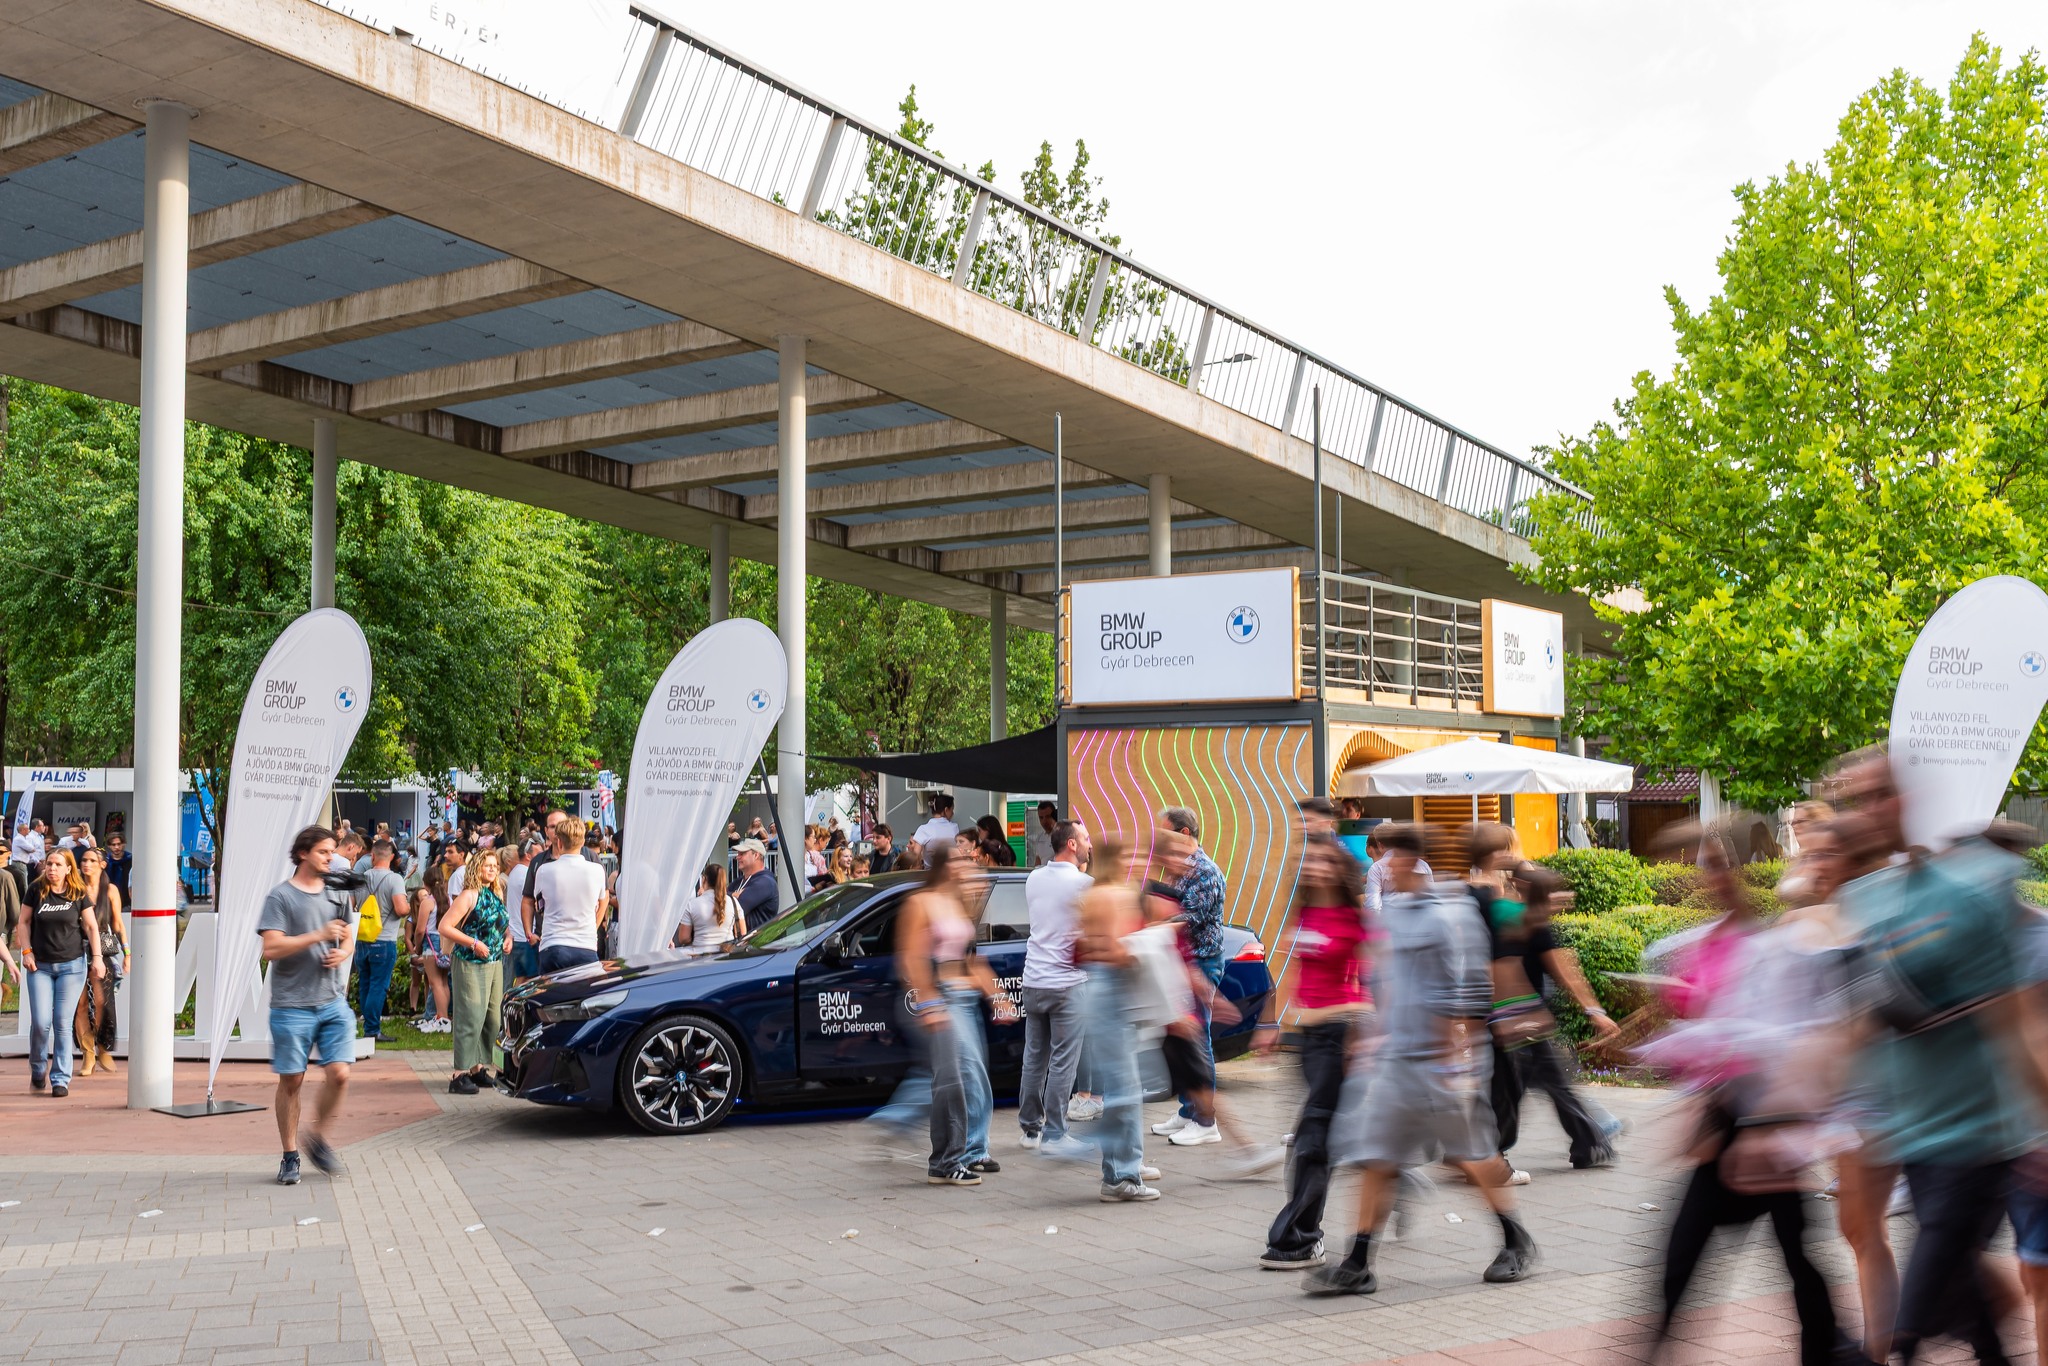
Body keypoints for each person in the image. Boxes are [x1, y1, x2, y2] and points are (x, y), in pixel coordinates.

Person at [1833, 752, 2048, 1365]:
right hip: (1915, 1138)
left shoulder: (1971, 891)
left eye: (1882, 795)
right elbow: (1858, 1026)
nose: (1870, 810)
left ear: (1911, 798)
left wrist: (2043, 1131)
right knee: (1973, 1315)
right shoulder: (1864, 901)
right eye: (1858, 799)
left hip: (1980, 1140)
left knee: (1904, 1332)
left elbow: (2016, 1025)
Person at [1638, 828, 1856, 1366]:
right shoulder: (1754, 940)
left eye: (1821, 854)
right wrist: (1678, 1048)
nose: (1806, 866)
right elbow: (1734, 1024)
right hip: (1743, 1114)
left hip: (1767, 1120)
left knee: (1738, 1253)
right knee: (1782, 1255)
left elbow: (1800, 1035)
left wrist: (1692, 1047)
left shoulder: (1806, 943)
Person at [1307, 822, 1537, 1295]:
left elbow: (1471, 989)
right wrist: (1368, 1038)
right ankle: (1358, 1262)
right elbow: (1384, 983)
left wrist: (1460, 1056)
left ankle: (1517, 1240)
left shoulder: (1448, 916)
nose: (1383, 868)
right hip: (1396, 1061)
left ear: (1409, 860)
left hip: (1442, 1063)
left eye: (1389, 858)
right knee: (1378, 1156)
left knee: (1473, 1158)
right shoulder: (1391, 915)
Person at [1258, 839, 1370, 1270]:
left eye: (1326, 861)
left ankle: (1299, 1238)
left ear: (1341, 868)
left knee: (1312, 1140)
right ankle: (1394, 1181)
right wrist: (1272, 1026)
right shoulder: (1305, 914)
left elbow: (1372, 981)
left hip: (1341, 1035)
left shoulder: (1354, 918)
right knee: (1320, 1138)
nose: (1317, 867)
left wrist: (1361, 1037)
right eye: (1311, 861)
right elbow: (1289, 972)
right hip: (1307, 1039)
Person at [886, 848, 1015, 1185]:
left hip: (964, 998)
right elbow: (911, 958)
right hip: (941, 998)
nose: (967, 864)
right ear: (943, 866)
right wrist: (929, 1003)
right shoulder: (922, 902)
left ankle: (972, 1150)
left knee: (974, 1078)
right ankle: (947, 1160)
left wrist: (998, 997)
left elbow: (972, 959)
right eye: (959, 859)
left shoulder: (959, 904)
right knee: (953, 1082)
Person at [1487, 862, 1621, 1172]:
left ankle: (1589, 1144)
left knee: (1534, 1086)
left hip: (1515, 1020)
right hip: (1522, 1020)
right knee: (1520, 1090)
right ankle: (1487, 1152)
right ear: (1543, 897)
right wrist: (1594, 1012)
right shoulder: (1537, 929)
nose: (1562, 897)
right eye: (1555, 893)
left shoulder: (1510, 918)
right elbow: (1565, 976)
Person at [258, 827, 355, 1185]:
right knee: (292, 1081)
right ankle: (289, 1155)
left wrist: (342, 952)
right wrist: (317, 935)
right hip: (291, 1005)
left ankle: (318, 1138)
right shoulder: (281, 897)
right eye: (324, 852)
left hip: (332, 1002)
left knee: (340, 1074)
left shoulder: (336, 894)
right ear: (302, 854)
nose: (332, 858)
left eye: (333, 852)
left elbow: (348, 939)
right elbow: (271, 949)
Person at [1076, 836, 1159, 1202]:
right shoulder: (1116, 895)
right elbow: (1113, 948)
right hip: (1113, 989)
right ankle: (1123, 1175)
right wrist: (1143, 956)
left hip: (1095, 988)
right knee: (1126, 1088)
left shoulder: (1091, 894)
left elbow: (1084, 946)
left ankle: (1117, 1170)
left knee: (1119, 1086)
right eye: (1128, 855)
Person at [1149, 807, 1228, 1145]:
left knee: (1198, 1041)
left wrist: (1152, 924)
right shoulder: (1179, 869)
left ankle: (1206, 1121)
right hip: (1181, 964)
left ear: (1184, 834)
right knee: (1183, 1040)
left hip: (1202, 964)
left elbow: (1189, 917)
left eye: (1165, 833)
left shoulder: (1206, 872)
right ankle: (1187, 1110)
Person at [1018, 819, 1092, 1157]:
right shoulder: (1084, 885)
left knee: (1034, 1059)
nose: (1090, 843)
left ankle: (1030, 1128)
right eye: (1086, 838)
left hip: (1034, 979)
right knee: (1063, 1062)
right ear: (1072, 844)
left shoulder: (1034, 878)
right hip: (1067, 983)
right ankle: (1056, 1133)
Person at [15, 848, 102, 1097]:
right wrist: (26, 951)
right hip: (39, 966)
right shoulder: (36, 889)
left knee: (62, 1023)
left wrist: (97, 958)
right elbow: (23, 922)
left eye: (57, 865)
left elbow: (91, 927)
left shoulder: (78, 892)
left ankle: (61, 1078)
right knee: (41, 1023)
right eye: (49, 864)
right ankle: (38, 1067)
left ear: (68, 869)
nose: (52, 869)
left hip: (71, 967)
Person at [440, 847, 509, 1095]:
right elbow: (445, 926)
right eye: (487, 865)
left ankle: (477, 1067)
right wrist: (473, 943)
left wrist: (508, 937)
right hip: (470, 961)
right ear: (476, 867)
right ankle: (459, 1073)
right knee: (470, 1016)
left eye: (495, 866)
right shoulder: (469, 895)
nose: (492, 870)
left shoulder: (495, 894)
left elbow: (501, 924)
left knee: (491, 1018)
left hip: (494, 961)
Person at [72, 846, 127, 1078]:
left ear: (102, 864)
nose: (86, 865)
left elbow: (118, 924)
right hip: (76, 949)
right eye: (83, 860)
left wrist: (128, 952)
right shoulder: (74, 889)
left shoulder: (111, 890)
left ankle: (103, 1047)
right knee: (81, 1004)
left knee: (104, 1002)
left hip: (102, 953)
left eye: (92, 861)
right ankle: (88, 1054)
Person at [533, 816, 606, 974]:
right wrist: (593, 926)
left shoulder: (544, 870)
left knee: (551, 998)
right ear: (582, 842)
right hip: (586, 945)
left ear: (558, 842)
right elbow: (603, 900)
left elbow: (539, 906)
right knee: (586, 997)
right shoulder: (597, 870)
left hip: (553, 946)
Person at [353, 839, 409, 1043]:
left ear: (372, 856)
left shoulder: (360, 878)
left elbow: (352, 905)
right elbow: (402, 909)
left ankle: (368, 1027)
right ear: (392, 857)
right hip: (384, 940)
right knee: (378, 985)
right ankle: (372, 1030)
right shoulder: (394, 879)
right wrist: (410, 907)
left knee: (365, 984)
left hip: (362, 939)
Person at [518, 809, 568, 952]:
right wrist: (529, 933)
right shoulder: (538, 862)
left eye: (562, 825)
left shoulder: (587, 857)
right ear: (546, 831)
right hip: (546, 941)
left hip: (579, 942)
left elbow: (603, 897)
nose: (558, 830)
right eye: (553, 827)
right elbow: (527, 900)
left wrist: (593, 928)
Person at [409, 864, 451, 1033]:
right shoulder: (448, 900)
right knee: (444, 982)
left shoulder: (428, 902)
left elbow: (420, 930)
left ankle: (442, 1019)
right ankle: (444, 1016)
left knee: (435, 983)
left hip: (431, 945)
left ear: (425, 883)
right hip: (445, 943)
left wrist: (417, 946)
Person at [1363, 827, 1430, 915]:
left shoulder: (1377, 868)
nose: (1391, 864)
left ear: (1379, 844)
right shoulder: (1424, 865)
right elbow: (1429, 898)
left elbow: (1372, 906)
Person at [676, 863, 740, 949]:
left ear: (704, 879)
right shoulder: (733, 902)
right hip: (727, 955)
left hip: (701, 955)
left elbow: (684, 938)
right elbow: (742, 931)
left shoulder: (692, 905)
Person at [504, 836, 541, 983]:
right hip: (524, 937)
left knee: (521, 978)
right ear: (528, 855)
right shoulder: (525, 874)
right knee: (527, 981)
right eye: (538, 854)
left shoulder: (515, 872)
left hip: (517, 935)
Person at [730, 838, 776, 932]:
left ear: (756, 855)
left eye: (742, 854)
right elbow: (719, 898)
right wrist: (732, 896)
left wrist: (727, 897)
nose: (737, 857)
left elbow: (733, 908)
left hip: (756, 943)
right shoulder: (740, 881)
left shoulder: (765, 883)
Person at [911, 793, 959, 860]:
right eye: (952, 809)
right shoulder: (954, 828)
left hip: (930, 870)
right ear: (946, 810)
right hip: (953, 869)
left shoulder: (923, 829)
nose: (953, 813)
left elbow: (915, 855)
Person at [1026, 802, 1057, 868]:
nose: (1044, 821)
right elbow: (1038, 860)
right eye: (1041, 818)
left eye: (1047, 817)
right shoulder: (1040, 837)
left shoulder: (1061, 835)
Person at [103, 832, 132, 900]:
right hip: (110, 898)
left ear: (123, 844)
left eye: (119, 844)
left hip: (127, 899)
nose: (117, 847)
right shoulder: (106, 862)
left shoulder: (131, 860)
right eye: (113, 845)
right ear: (109, 846)